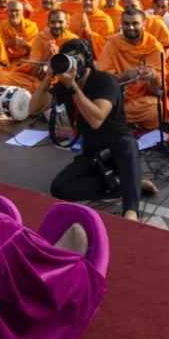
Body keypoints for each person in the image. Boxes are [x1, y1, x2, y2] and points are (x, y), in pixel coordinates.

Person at [32, 39, 145, 221]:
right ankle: (127, 183)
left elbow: (96, 119)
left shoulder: (104, 80)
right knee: (59, 188)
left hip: (118, 148)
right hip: (93, 151)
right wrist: (48, 76)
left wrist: (73, 87)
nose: (73, 65)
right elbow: (34, 108)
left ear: (87, 60)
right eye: (68, 60)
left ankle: (131, 209)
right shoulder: (64, 85)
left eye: (76, 59)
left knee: (126, 144)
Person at [97, 8, 168, 129]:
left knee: (156, 109)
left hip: (141, 101)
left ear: (144, 24)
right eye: (126, 24)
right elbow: (103, 80)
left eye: (135, 23)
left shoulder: (154, 46)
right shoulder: (112, 43)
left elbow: (157, 91)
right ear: (121, 24)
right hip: (116, 98)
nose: (130, 28)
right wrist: (125, 76)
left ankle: (113, 119)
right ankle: (118, 119)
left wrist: (152, 76)